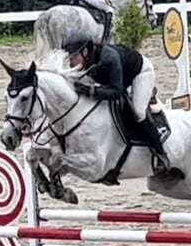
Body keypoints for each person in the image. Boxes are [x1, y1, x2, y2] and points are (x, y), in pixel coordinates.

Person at [63, 34, 170, 175]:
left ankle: (160, 154)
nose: (71, 62)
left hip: (140, 73)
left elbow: (117, 91)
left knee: (138, 112)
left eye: (73, 57)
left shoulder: (108, 58)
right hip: (120, 77)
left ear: (85, 51)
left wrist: (91, 91)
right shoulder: (87, 60)